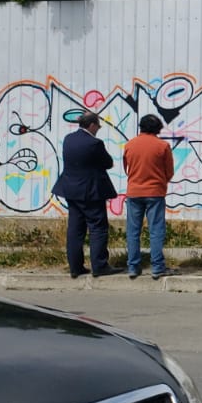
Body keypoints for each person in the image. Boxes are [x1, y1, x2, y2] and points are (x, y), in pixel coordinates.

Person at [53, 111, 120, 278]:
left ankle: (75, 267)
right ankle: (99, 266)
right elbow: (107, 162)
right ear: (91, 125)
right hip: (91, 191)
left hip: (71, 190)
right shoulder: (95, 143)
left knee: (75, 229)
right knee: (98, 228)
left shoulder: (68, 139)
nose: (98, 129)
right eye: (98, 126)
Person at [123, 114, 177, 280]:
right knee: (156, 231)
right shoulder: (162, 146)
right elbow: (169, 171)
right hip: (155, 193)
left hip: (134, 192)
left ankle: (133, 267)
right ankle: (157, 267)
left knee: (133, 231)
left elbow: (126, 168)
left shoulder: (129, 145)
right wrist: (160, 181)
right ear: (158, 128)